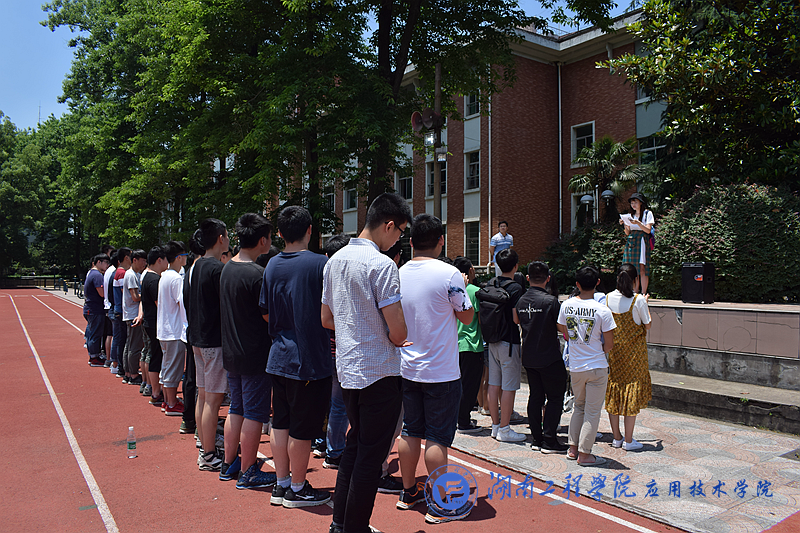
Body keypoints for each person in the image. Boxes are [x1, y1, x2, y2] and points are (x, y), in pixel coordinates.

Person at [321, 192, 412, 533]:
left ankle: (340, 523)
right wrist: (392, 335)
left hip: (348, 369)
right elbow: (398, 331)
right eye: (400, 231)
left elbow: (326, 318)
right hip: (380, 372)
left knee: (355, 446)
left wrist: (357, 327)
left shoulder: (334, 261)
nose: (398, 239)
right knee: (370, 458)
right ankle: (354, 527)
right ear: (389, 225)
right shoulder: (382, 265)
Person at [396, 214, 474, 524]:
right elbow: (466, 316)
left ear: (411, 242)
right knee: (437, 438)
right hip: (441, 370)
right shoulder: (449, 273)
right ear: (441, 241)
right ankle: (440, 504)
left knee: (410, 430)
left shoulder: (398, 272)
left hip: (407, 367)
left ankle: (408, 491)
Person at [260, 206, 332, 508]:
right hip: (308, 358)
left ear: (279, 233)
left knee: (281, 422)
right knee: (302, 428)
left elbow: (265, 312)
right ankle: (299, 487)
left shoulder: (272, 265)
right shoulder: (320, 264)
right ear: (310, 230)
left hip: (279, 355)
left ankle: (282, 483)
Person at [219, 213, 278, 488]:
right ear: (262, 240)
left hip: (231, 351)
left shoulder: (227, 268)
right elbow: (268, 316)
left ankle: (230, 463)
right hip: (254, 352)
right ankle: (248, 471)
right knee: (254, 413)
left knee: (236, 408)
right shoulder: (257, 274)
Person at [557, 266, 616, 467]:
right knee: (592, 411)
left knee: (579, 407)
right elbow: (609, 344)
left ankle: (573, 448)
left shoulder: (566, 305)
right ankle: (585, 453)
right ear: (597, 283)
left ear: (577, 284)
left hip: (576, 366)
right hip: (596, 365)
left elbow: (562, 328)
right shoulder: (603, 310)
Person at [186, 219, 230, 471]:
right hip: (213, 341)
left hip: (198, 339)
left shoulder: (197, 266)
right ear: (221, 238)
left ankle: (205, 446)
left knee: (203, 397)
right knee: (212, 400)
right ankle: (209, 453)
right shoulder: (217, 269)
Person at [513, 261, 568, 453]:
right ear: (548, 278)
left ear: (528, 278)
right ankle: (549, 440)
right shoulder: (551, 301)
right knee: (555, 397)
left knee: (535, 396)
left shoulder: (521, 300)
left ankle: (536, 438)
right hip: (549, 356)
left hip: (529, 356)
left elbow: (516, 320)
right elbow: (563, 329)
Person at [605, 263, 652, 451]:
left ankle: (617, 437)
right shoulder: (638, 300)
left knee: (615, 391)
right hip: (634, 355)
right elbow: (647, 324)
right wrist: (646, 304)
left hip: (615, 353)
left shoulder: (607, 298)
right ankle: (629, 440)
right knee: (631, 391)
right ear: (635, 280)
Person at [482, 248, 526, 442]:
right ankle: (505, 429)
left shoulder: (491, 283)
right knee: (509, 387)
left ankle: (495, 426)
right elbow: (516, 319)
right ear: (516, 266)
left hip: (492, 340)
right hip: (509, 342)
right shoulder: (516, 288)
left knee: (494, 384)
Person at [320, 234, 352, 471]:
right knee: (340, 404)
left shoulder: (323, 275)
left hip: (324, 350)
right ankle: (335, 451)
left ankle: (326, 444)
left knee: (331, 402)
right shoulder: (342, 277)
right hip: (339, 349)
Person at [453, 256, 484, 434]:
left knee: (456, 384)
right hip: (472, 344)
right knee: (470, 385)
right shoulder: (474, 291)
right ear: (471, 270)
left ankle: (456, 417)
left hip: (453, 344)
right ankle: (464, 421)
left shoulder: (451, 290)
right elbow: (479, 319)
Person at [156, 241, 188, 417]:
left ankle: (168, 400)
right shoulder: (176, 278)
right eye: (184, 255)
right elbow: (182, 304)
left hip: (164, 329)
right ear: (178, 258)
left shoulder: (165, 276)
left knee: (167, 366)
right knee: (173, 369)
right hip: (174, 330)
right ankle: (171, 403)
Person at [139, 246, 168, 407]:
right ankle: (156, 392)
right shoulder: (154, 280)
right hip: (155, 323)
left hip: (150, 322)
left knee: (153, 354)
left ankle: (155, 390)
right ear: (159, 260)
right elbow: (160, 305)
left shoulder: (147, 277)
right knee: (156, 356)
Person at [122, 250, 147, 392]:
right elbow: (135, 297)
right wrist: (147, 295)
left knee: (130, 344)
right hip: (133, 314)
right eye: (143, 260)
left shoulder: (133, 274)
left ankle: (128, 373)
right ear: (135, 260)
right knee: (135, 345)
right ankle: (132, 374)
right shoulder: (131, 275)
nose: (145, 263)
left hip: (130, 313)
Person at [620, 192, 654, 295]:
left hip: (642, 240)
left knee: (642, 267)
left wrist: (638, 223)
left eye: (635, 202)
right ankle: (634, 292)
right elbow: (627, 232)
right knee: (632, 268)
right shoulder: (630, 215)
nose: (633, 204)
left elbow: (648, 230)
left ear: (641, 202)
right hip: (631, 241)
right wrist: (625, 224)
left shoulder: (647, 213)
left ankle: (643, 293)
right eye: (631, 203)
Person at [84, 253, 111, 367]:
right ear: (99, 262)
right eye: (106, 262)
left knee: (94, 332)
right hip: (95, 309)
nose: (107, 265)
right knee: (95, 334)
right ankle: (94, 357)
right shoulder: (97, 275)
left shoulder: (92, 273)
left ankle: (95, 355)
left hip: (91, 308)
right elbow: (102, 293)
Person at [111, 248, 133, 381]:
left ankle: (121, 366)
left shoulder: (119, 272)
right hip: (121, 311)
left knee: (121, 339)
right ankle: (122, 367)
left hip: (119, 309)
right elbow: (127, 293)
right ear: (126, 257)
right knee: (123, 340)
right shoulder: (122, 273)